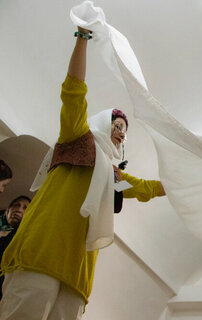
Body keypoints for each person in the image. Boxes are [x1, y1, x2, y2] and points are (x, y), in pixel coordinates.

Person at [0, 27, 166, 319]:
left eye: (124, 132)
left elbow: (147, 189)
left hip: (78, 273)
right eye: (117, 127)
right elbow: (73, 92)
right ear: (103, 123)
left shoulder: (112, 175)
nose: (120, 135)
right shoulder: (76, 137)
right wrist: (82, 39)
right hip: (40, 251)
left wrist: (191, 182)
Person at [0, 195, 31, 300]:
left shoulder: (25, 236)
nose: (18, 210)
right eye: (16, 205)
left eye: (25, 208)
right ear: (8, 211)